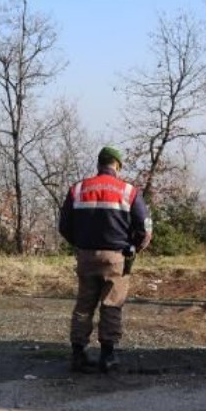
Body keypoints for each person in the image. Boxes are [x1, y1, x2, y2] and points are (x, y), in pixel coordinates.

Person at [58, 146, 152, 373]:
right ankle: (108, 356)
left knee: (84, 305)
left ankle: (78, 354)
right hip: (116, 257)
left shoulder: (78, 189)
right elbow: (144, 228)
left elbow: (64, 226)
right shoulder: (129, 191)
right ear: (117, 165)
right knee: (111, 304)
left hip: (86, 256)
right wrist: (135, 247)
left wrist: (80, 244)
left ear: (98, 164)